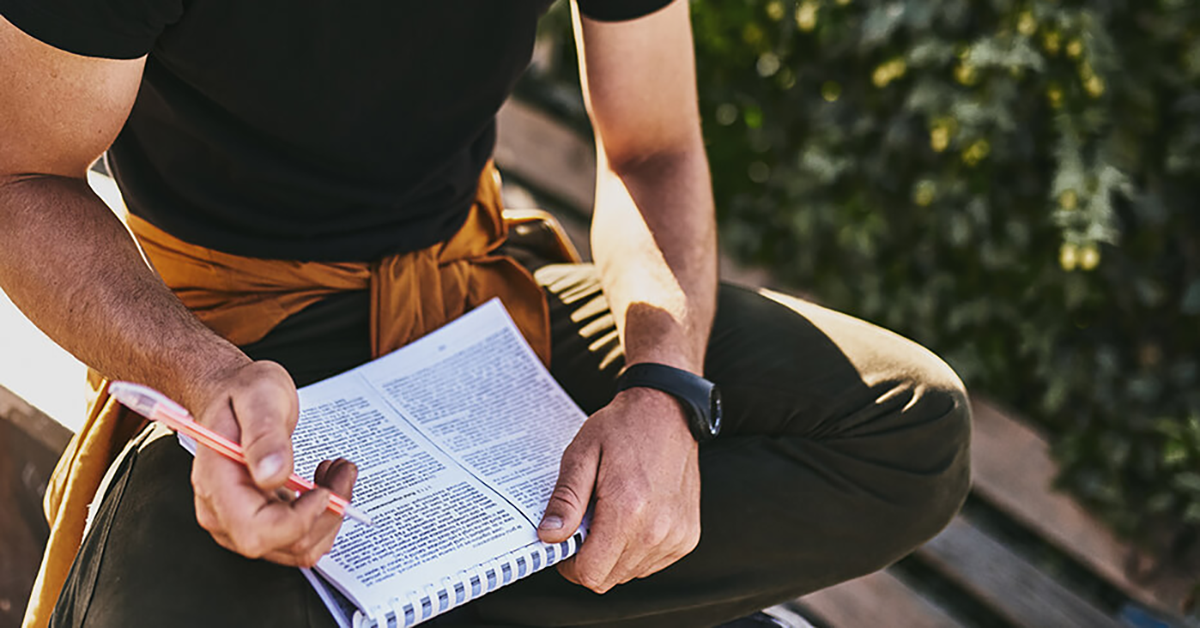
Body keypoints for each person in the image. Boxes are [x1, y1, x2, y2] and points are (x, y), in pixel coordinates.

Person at [0, 0, 972, 626]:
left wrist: (665, 388)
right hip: (236, 347)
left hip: (477, 291)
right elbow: (20, 179)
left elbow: (653, 145)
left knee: (907, 428)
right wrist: (196, 377)